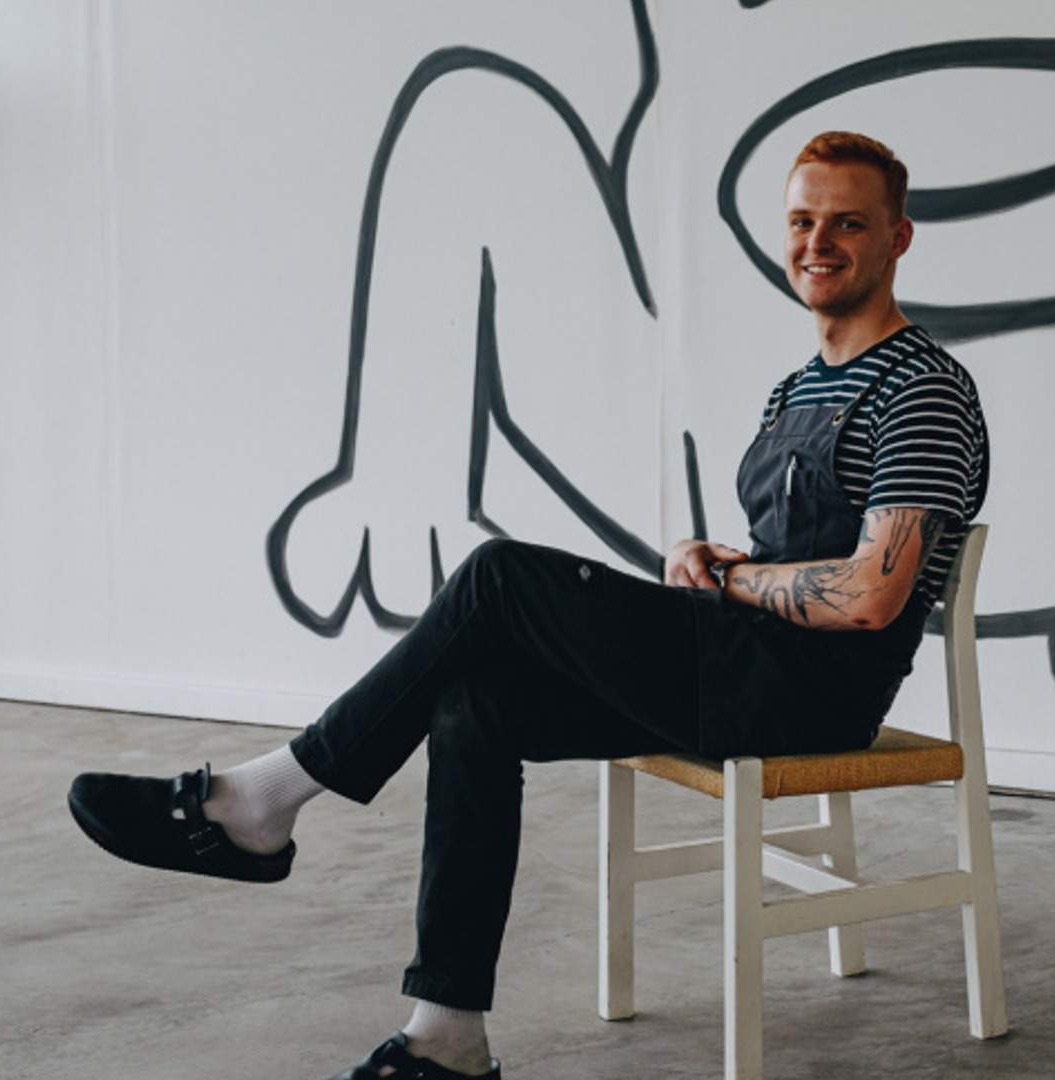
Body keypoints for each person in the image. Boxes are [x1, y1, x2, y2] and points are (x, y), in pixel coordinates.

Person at [66, 130, 989, 1080]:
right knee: (478, 701)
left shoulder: (923, 390)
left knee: (499, 575)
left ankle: (264, 802)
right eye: (802, 220)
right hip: (738, 663)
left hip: (804, 698)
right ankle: (448, 1035)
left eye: (848, 222)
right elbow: (805, 555)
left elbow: (876, 594)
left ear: (898, 239)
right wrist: (718, 560)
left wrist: (737, 583)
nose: (817, 242)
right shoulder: (797, 387)